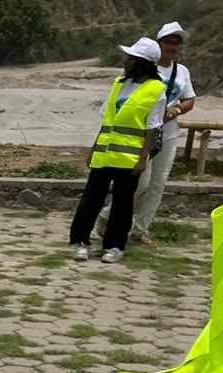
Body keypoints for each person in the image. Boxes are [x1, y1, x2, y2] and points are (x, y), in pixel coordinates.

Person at [69, 37, 166, 265]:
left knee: (123, 204)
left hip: (129, 157)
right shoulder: (119, 84)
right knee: (91, 200)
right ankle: (81, 242)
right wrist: (94, 148)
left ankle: (114, 246)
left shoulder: (156, 90)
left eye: (130, 58)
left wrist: (143, 159)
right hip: (104, 153)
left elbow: (152, 128)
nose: (125, 61)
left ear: (142, 62)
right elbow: (107, 120)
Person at [131, 21, 196, 244]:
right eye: (168, 41)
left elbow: (189, 100)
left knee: (158, 184)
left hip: (168, 135)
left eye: (177, 42)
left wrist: (176, 109)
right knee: (141, 183)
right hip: (143, 132)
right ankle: (109, 217)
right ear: (159, 43)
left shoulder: (182, 71)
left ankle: (140, 229)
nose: (172, 46)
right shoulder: (146, 67)